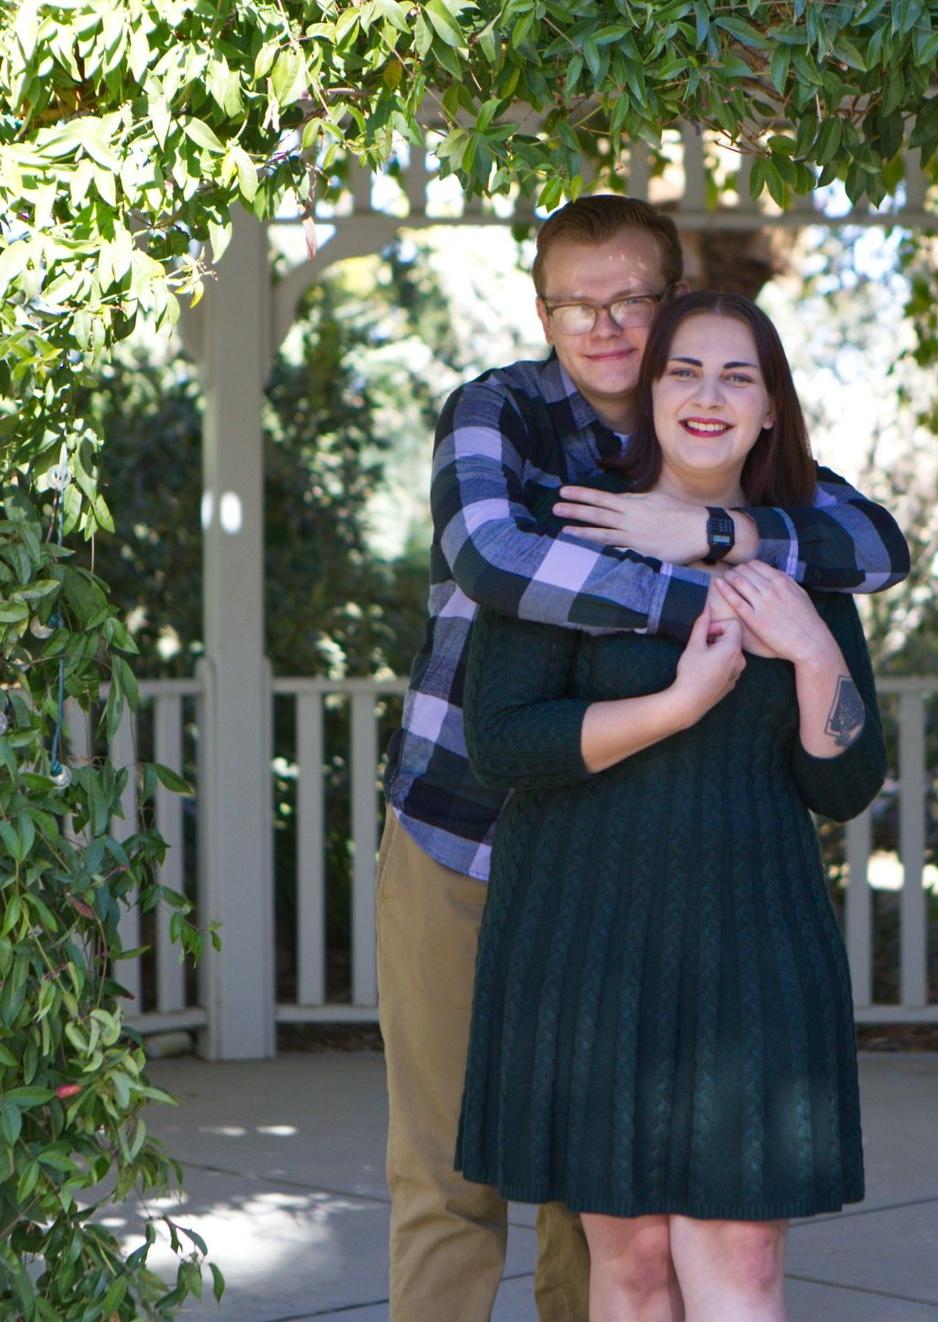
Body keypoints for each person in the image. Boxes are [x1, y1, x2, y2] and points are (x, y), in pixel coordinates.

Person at [378, 197, 908, 1322]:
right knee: (448, 1174)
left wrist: (740, 554)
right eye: (574, 302)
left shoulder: (750, 478)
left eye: (628, 300)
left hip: (666, 886)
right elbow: (491, 554)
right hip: (463, 811)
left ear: (667, 306)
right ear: (541, 309)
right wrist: (715, 603)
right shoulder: (506, 418)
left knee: (599, 1205)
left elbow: (877, 547)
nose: (603, 325)